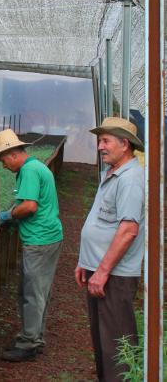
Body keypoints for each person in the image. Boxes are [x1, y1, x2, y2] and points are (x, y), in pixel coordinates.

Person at [75, 117, 144, 382]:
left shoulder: (130, 180)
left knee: (117, 344)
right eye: (99, 141)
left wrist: (102, 272)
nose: (100, 146)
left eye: (105, 141)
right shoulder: (112, 174)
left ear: (124, 144)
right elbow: (101, 222)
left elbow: (128, 230)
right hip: (100, 269)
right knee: (104, 342)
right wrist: (85, 261)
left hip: (114, 275)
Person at [0, 128, 63, 362]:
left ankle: (28, 343)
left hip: (40, 240)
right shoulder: (35, 167)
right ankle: (34, 337)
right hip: (45, 238)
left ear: (13, 153)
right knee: (35, 291)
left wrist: (8, 215)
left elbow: (30, 206)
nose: (3, 165)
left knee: (32, 293)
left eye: (2, 159)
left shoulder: (29, 171)